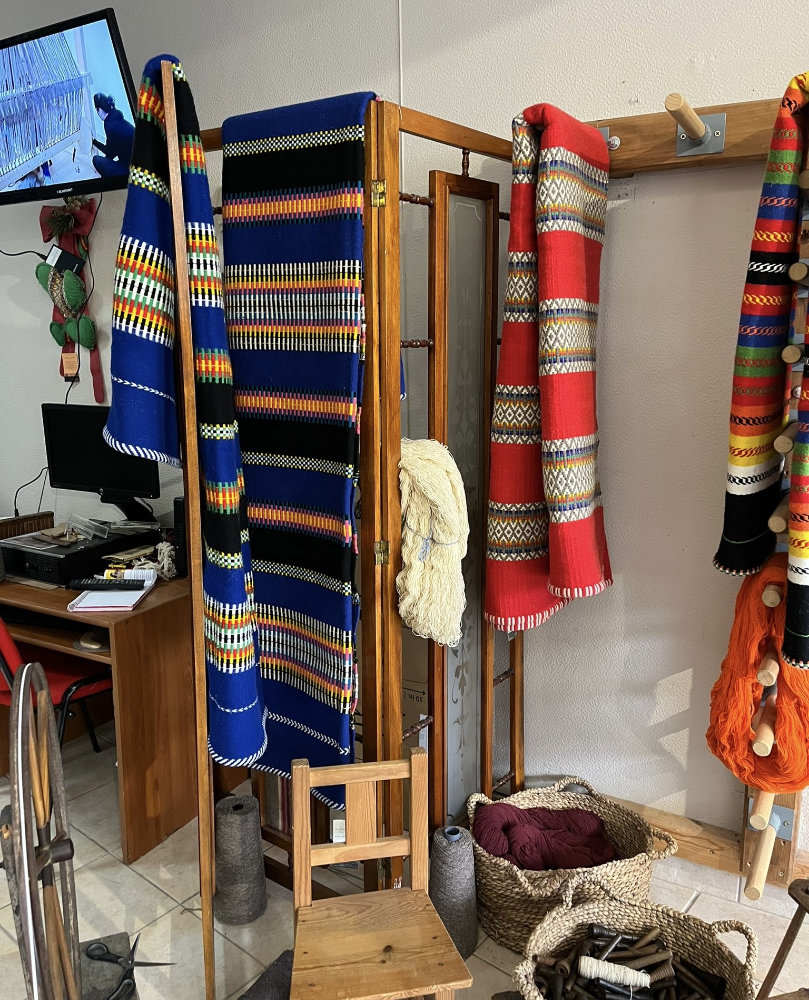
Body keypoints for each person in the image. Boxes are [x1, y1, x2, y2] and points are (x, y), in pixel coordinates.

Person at [91, 93, 135, 178]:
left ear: (99, 109)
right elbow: (113, 151)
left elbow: (110, 153)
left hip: (131, 171)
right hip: (137, 163)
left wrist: (94, 142)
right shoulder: (117, 118)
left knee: (96, 160)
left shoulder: (110, 125)